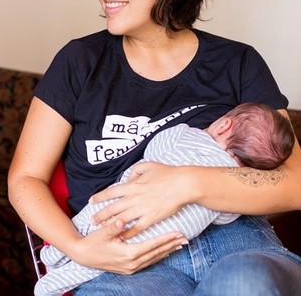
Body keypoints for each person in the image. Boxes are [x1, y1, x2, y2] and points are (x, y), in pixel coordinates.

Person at [8, 0, 301, 295]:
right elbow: (25, 178)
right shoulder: (79, 62)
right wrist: (82, 248)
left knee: (243, 284)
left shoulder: (237, 62)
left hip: (233, 243)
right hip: (127, 257)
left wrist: (184, 184)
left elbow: (295, 183)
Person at [35, 103, 295, 296]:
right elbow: (227, 213)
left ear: (225, 124)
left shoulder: (187, 134)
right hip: (163, 238)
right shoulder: (235, 177)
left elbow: (157, 148)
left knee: (90, 228)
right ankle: (50, 285)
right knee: (244, 282)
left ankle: (55, 254)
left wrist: (185, 178)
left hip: (121, 207)